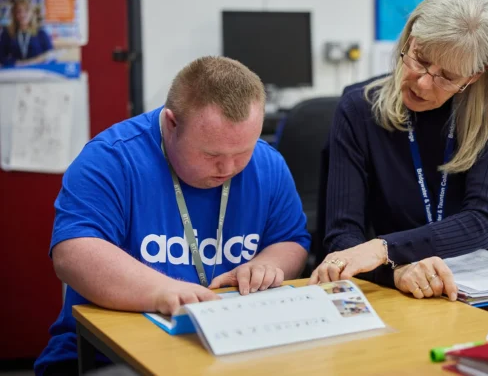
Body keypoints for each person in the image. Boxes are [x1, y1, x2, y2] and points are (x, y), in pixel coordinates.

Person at [35, 56, 311, 375]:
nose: (229, 168)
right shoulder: (111, 158)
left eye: (243, 152)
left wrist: (269, 265)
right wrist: (163, 292)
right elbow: (73, 253)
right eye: (211, 154)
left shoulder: (268, 164)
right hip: (109, 355)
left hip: (229, 349)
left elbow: (291, 240)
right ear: (171, 123)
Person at [310, 0, 488, 300]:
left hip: (484, 271)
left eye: (446, 76)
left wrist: (384, 248)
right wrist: (395, 270)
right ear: (410, 38)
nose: (422, 83)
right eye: (420, 60)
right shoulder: (358, 110)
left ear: (476, 75)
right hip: (408, 281)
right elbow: (343, 238)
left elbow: (481, 221)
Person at [6, 0, 54, 66]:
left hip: (37, 73)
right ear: (14, 14)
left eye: (26, 11)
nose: (22, 15)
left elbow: (51, 56)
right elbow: (2, 57)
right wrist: (19, 63)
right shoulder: (7, 34)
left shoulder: (41, 33)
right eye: (19, 11)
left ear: (32, 13)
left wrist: (36, 61)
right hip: (14, 73)